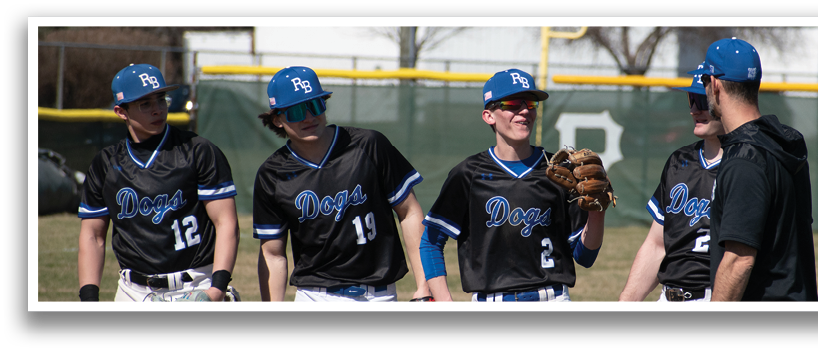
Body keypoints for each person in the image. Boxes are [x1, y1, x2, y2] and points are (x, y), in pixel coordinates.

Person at [419, 68, 606, 302]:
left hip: (552, 299)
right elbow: (430, 242)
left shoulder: (560, 172)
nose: (525, 110)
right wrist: (445, 302)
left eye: (530, 103)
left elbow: (585, 257)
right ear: (489, 116)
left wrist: (598, 212)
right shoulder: (468, 174)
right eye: (513, 103)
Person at [253, 66, 432, 302]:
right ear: (277, 120)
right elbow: (273, 253)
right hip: (314, 297)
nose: (309, 116)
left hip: (377, 296)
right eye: (296, 111)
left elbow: (409, 212)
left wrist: (425, 285)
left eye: (315, 104)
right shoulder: (272, 174)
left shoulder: (368, 145)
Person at [78, 63, 240, 302]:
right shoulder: (106, 164)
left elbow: (226, 222)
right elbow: (93, 235)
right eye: (145, 103)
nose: (157, 109)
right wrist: (89, 299)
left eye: (161, 99)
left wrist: (216, 289)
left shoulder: (198, 150)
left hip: (196, 285)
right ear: (121, 111)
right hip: (133, 292)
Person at [689, 38, 817, 301]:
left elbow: (738, 261)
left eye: (703, 82)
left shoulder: (745, 159)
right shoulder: (780, 144)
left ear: (715, 84)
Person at [619, 61, 723, 302]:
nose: (694, 110)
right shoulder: (679, 161)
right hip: (668, 297)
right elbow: (657, 245)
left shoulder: (745, 166)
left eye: (702, 102)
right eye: (691, 100)